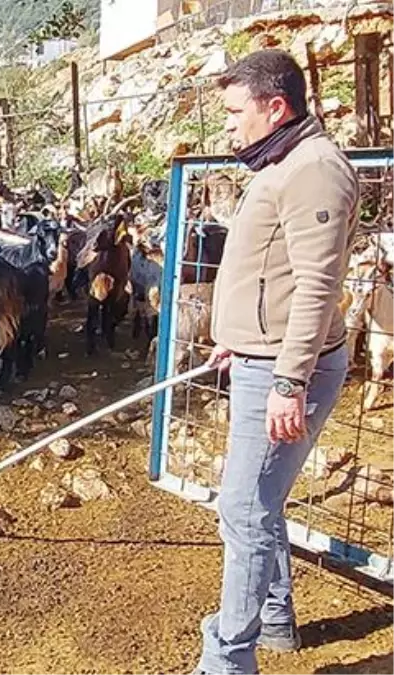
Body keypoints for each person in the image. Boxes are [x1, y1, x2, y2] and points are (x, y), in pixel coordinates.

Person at [193, 49, 359, 675]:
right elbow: (275, 271)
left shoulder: (314, 171)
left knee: (243, 507)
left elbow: (318, 286)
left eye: (236, 112)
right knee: (260, 500)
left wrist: (289, 379)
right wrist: (240, 332)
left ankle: (228, 659)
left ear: (276, 107)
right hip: (265, 357)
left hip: (290, 370)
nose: (228, 125)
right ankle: (275, 617)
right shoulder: (283, 160)